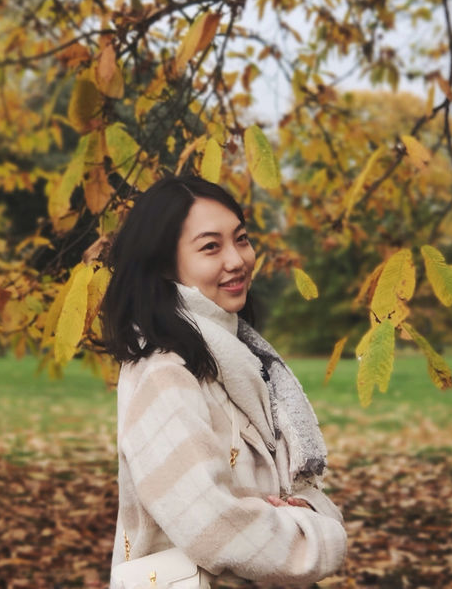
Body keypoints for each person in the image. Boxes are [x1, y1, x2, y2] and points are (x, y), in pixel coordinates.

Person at [100, 175, 347, 586]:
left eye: (242, 239)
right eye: (211, 247)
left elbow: (298, 492)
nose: (237, 260)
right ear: (164, 265)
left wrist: (305, 512)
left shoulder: (241, 362)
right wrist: (319, 538)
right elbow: (209, 524)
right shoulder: (164, 374)